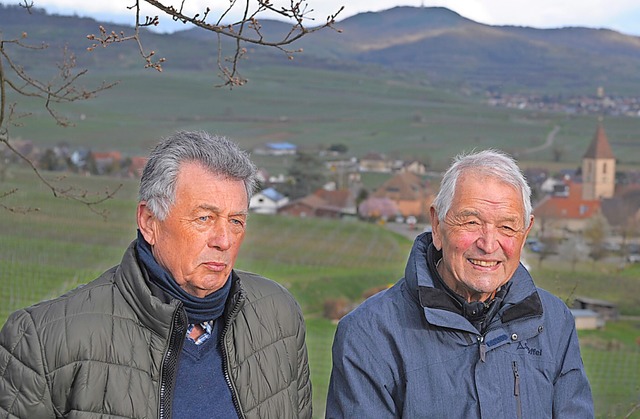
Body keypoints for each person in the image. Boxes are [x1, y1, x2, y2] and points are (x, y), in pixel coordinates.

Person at [0, 131, 311, 419]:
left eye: (236, 221)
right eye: (205, 218)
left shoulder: (278, 316)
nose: (224, 240)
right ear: (149, 221)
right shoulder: (44, 341)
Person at [326, 149, 593, 418]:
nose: (488, 245)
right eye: (471, 222)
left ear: (525, 235)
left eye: (507, 227)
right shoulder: (369, 334)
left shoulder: (554, 321)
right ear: (437, 225)